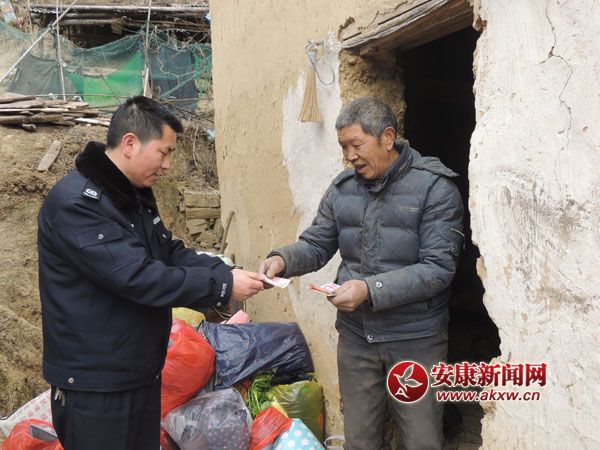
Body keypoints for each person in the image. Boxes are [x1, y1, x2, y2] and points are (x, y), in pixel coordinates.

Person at [38, 96, 264, 450]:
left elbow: (167, 252)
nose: (168, 165)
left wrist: (225, 272)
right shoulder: (78, 204)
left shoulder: (132, 196)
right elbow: (137, 277)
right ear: (130, 143)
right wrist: (222, 286)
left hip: (136, 372)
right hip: (97, 385)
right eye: (164, 152)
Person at [259, 97, 464, 450]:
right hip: (357, 337)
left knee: (421, 440)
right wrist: (282, 260)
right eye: (343, 147)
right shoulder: (344, 189)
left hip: (415, 338)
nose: (350, 156)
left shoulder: (435, 188)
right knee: (360, 440)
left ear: (387, 137)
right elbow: (317, 243)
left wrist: (369, 289)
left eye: (356, 144)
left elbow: (438, 269)